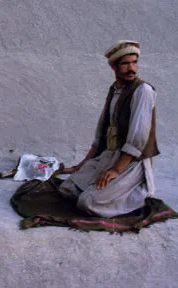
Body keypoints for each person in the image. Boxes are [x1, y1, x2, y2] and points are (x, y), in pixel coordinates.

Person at [59, 40, 159, 218]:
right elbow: (102, 131)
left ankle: (136, 195)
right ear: (113, 67)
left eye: (134, 63)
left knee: (88, 202)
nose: (132, 68)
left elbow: (138, 137)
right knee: (68, 188)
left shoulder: (143, 91)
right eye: (125, 64)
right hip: (109, 156)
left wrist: (116, 170)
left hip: (131, 162)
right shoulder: (114, 90)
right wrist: (82, 165)